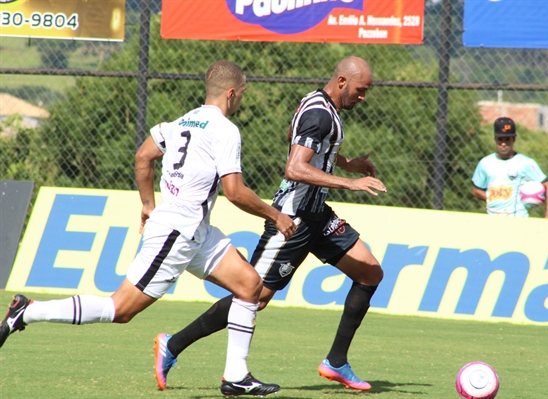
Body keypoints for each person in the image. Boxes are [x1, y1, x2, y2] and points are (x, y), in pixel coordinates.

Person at [0, 60, 297, 397]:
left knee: (249, 285)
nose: (241, 99)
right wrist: (276, 216)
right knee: (120, 309)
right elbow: (234, 192)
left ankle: (236, 377)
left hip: (195, 231)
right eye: (241, 94)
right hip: (176, 233)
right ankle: (29, 311)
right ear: (231, 93)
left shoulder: (180, 122)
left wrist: (147, 203)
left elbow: (143, 157)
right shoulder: (226, 130)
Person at [152, 56, 387, 392]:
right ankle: (172, 345)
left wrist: (348, 163)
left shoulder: (317, 104)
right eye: (360, 90)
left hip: (318, 215)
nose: (363, 97)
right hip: (293, 219)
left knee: (369, 273)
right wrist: (351, 183)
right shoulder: (320, 113)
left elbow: (300, 139)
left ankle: (336, 362)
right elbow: (295, 167)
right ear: (341, 82)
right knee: (254, 295)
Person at [471, 116, 548, 218]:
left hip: (517, 218)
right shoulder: (485, 163)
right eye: (500, 139)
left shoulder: (526, 163)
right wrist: (493, 197)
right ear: (494, 139)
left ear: (514, 139)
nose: (503, 143)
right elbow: (476, 190)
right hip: (492, 219)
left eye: (507, 139)